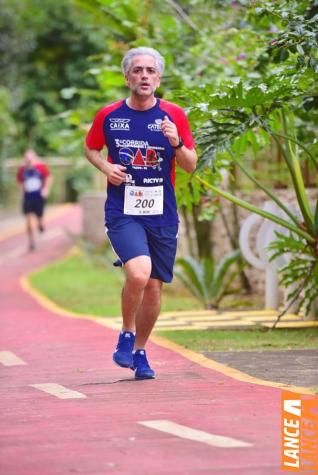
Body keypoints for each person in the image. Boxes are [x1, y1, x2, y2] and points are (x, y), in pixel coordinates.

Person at [85, 47, 197, 380]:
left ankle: (140, 351)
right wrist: (107, 167)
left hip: (162, 211)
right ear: (127, 77)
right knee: (138, 273)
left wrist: (177, 144)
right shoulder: (109, 115)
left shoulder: (174, 114)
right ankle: (126, 332)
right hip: (123, 209)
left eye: (150, 70)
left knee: (155, 286)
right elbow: (91, 147)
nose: (144, 76)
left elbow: (190, 166)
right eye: (137, 70)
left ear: (158, 78)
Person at [16, 149, 52, 251]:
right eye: (27, 158)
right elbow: (19, 181)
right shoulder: (22, 169)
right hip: (27, 198)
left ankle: (40, 225)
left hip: (38, 197)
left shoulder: (40, 167)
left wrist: (46, 189)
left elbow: (49, 177)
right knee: (28, 220)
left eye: (30, 158)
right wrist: (22, 190)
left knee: (39, 218)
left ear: (34, 158)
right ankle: (31, 241)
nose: (28, 160)